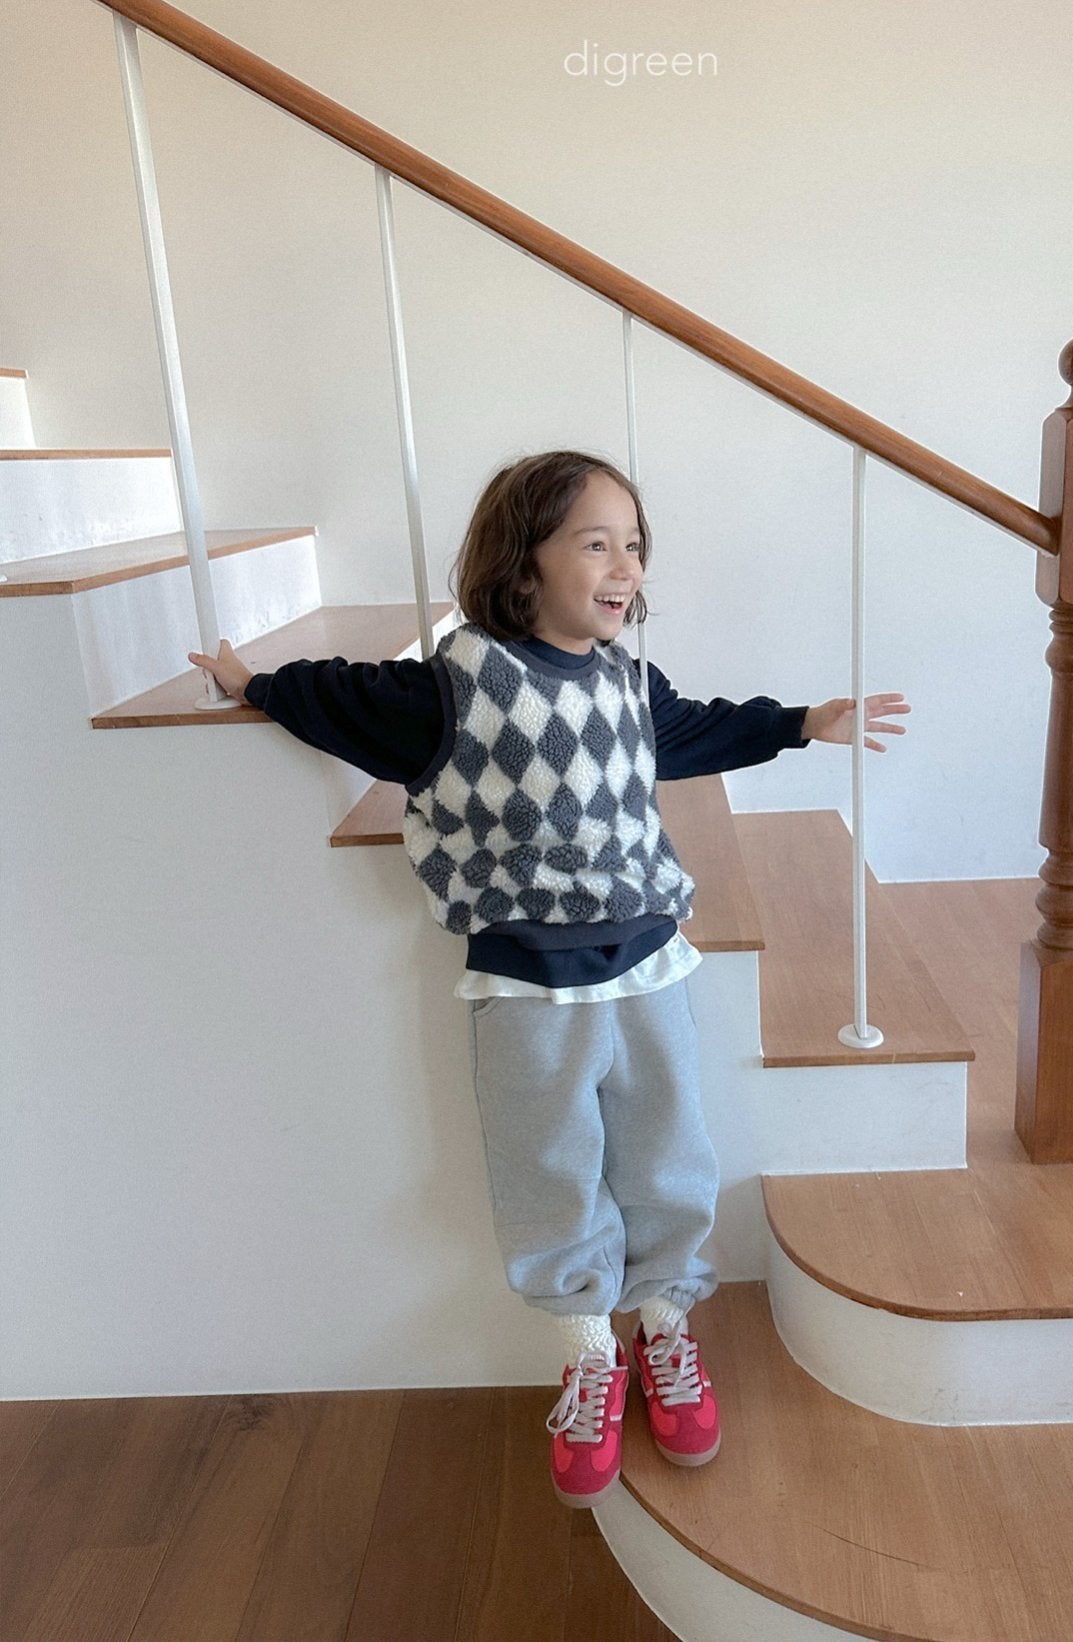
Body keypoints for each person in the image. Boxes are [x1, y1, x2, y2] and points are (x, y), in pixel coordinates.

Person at [190, 449, 909, 1508]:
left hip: (648, 961)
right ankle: (587, 1346)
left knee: (668, 1144)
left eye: (634, 546)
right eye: (595, 543)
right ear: (522, 563)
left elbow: (693, 729)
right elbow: (337, 696)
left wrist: (800, 722)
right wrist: (254, 683)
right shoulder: (456, 682)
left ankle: (663, 1322)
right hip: (525, 983)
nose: (624, 567)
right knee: (547, 1163)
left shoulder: (627, 682)